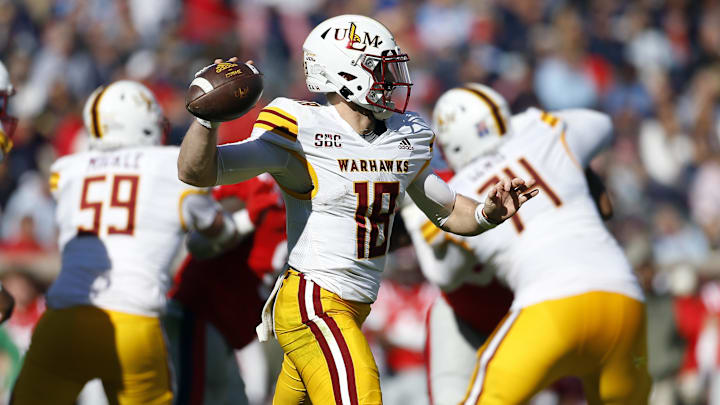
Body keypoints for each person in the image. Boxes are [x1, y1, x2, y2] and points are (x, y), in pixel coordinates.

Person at [177, 14, 538, 405]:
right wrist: (205, 121)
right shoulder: (301, 127)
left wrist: (488, 212)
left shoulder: (407, 135)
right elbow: (200, 171)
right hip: (313, 300)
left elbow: (448, 210)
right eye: (379, 69)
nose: (392, 79)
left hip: (354, 306)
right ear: (345, 74)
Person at [405, 83, 651, 405]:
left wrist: (415, 215)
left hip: (550, 309)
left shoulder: (456, 190)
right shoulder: (544, 130)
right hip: (624, 296)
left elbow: (444, 275)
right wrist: (535, 124)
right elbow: (601, 125)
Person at [12, 80, 239, 405]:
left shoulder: (67, 171)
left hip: (64, 317)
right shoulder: (170, 165)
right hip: (133, 322)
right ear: (146, 123)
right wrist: (235, 225)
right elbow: (217, 229)